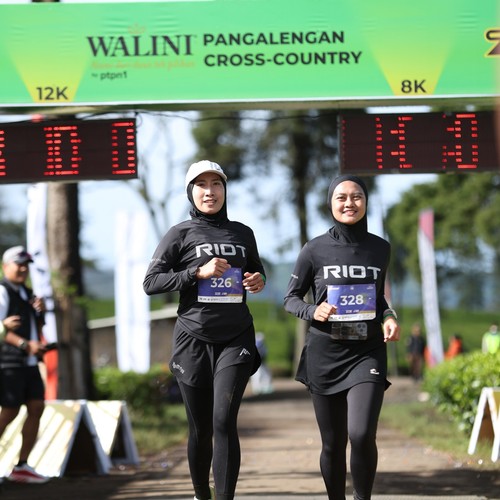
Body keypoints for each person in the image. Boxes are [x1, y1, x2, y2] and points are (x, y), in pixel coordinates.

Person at [143, 160, 266, 500]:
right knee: (201, 428)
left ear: (225, 190)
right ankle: (202, 494)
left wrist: (258, 280)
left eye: (216, 184)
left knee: (223, 420)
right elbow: (151, 283)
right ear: (191, 192)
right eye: (201, 185)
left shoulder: (243, 233)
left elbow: (256, 271)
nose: (209, 191)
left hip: (236, 337)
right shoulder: (179, 234)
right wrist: (197, 272)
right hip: (193, 339)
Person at [284, 174, 400, 500]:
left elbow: (378, 298)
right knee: (333, 444)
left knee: (361, 434)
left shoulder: (380, 248)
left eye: (356, 196)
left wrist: (389, 316)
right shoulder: (314, 249)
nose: (350, 203)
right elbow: (290, 298)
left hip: (367, 351)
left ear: (366, 201)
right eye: (341, 197)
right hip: (325, 353)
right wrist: (313, 310)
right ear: (331, 203)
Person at [0, 246, 49, 484]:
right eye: (18, 264)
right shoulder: (2, 290)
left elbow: (37, 329)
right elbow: (1, 329)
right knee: (9, 411)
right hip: (8, 362)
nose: (23, 269)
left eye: (26, 265)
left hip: (29, 363)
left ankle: (22, 466)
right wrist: (25, 345)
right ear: (5, 266)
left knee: (36, 407)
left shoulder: (28, 293)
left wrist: (41, 313)